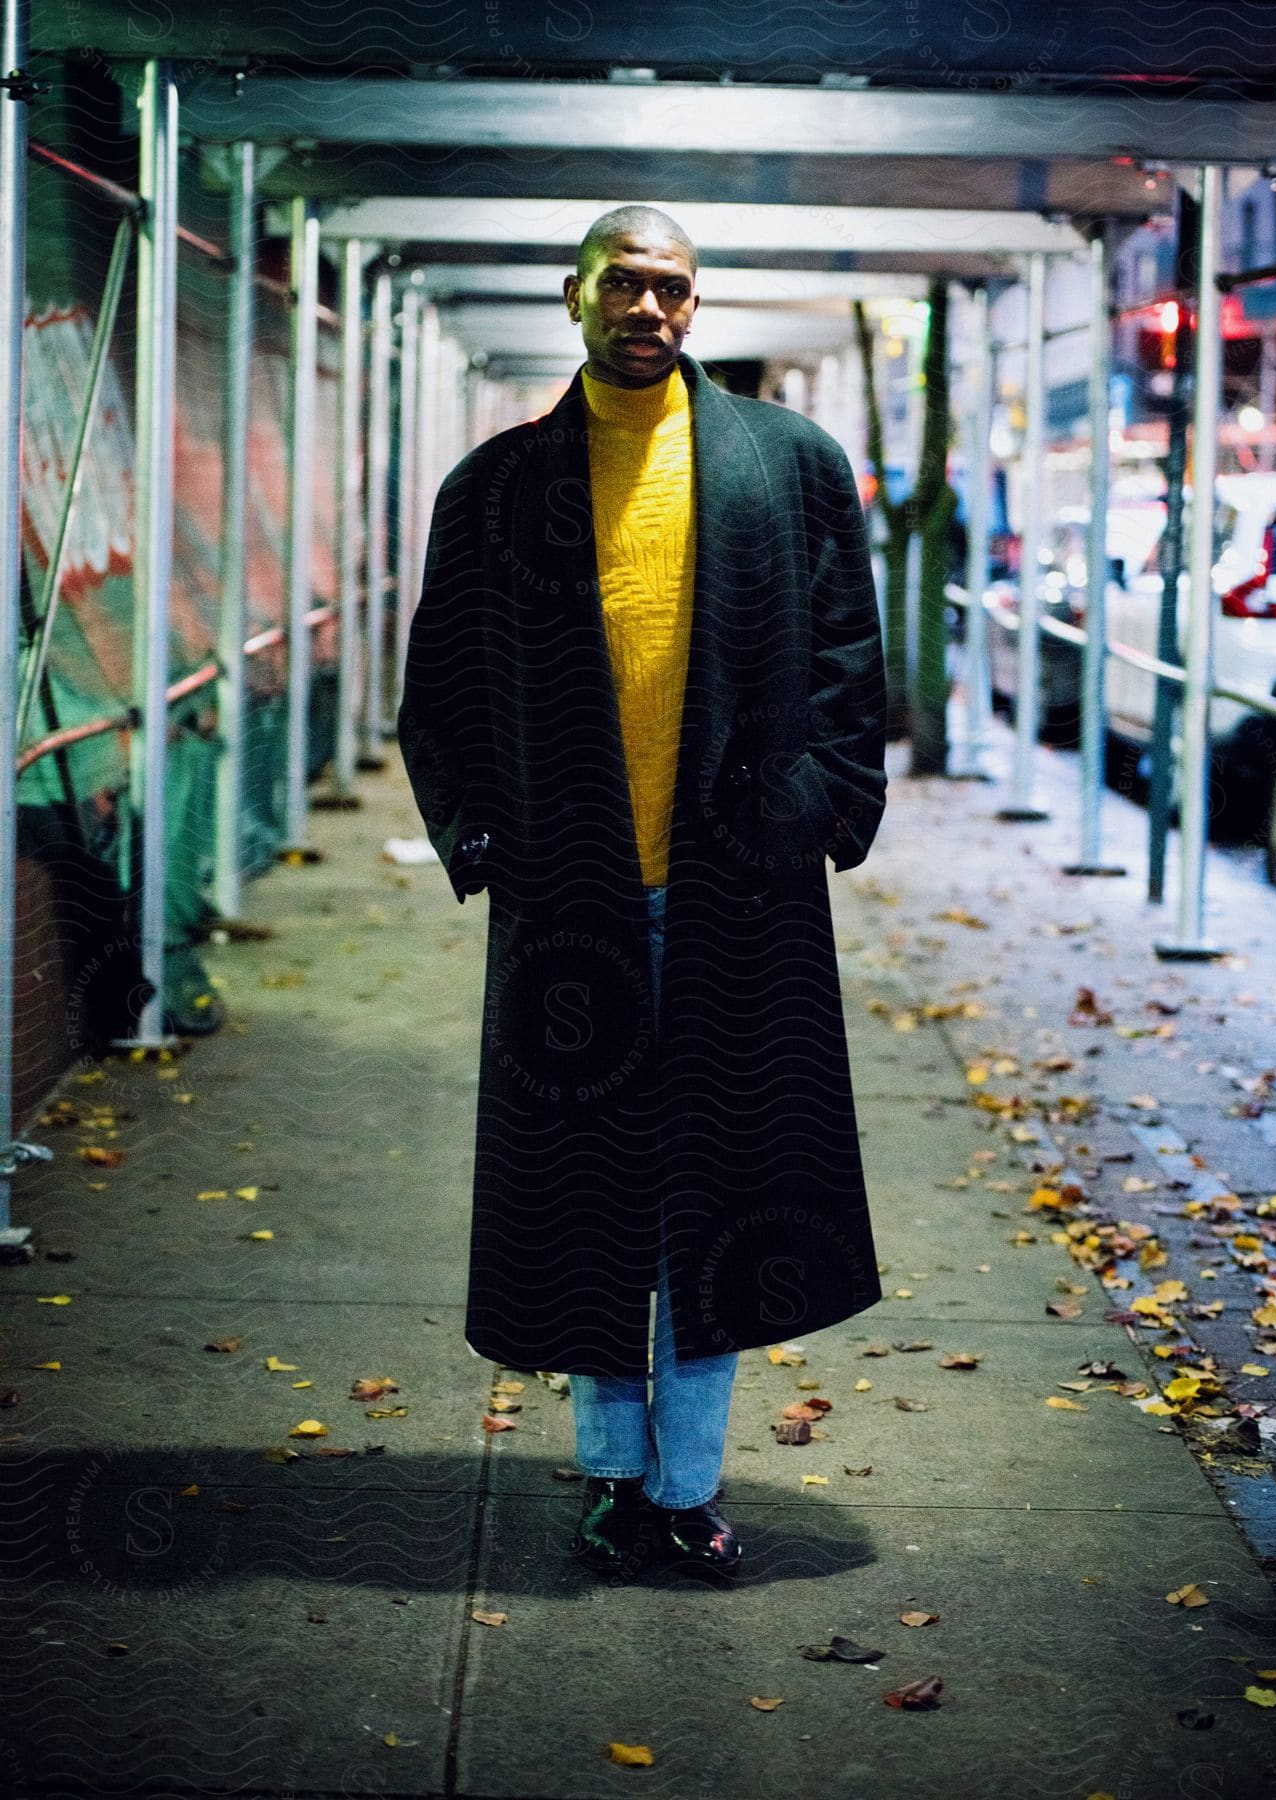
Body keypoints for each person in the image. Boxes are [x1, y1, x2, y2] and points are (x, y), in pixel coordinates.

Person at [397, 204, 888, 1584]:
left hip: (740, 893)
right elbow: (436, 688)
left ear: (694, 302)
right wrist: (480, 839)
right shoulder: (497, 486)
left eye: (671, 287)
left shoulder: (785, 466)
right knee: (592, 1203)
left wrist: (828, 815)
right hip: (573, 903)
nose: (648, 309)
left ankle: (686, 1487)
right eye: (623, 284)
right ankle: (617, 1483)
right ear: (575, 296)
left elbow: (851, 652)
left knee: (721, 1208)